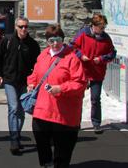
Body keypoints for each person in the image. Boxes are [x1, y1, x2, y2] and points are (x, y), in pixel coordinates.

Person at [27, 25, 87, 168]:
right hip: (43, 108)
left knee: (62, 148)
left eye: (58, 40)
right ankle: (46, 163)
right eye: (51, 40)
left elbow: (80, 83)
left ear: (63, 39)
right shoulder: (43, 55)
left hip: (64, 112)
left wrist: (60, 88)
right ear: (47, 41)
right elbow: (35, 74)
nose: (55, 43)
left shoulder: (72, 58)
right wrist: (31, 83)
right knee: (40, 136)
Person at [0, 16, 41, 155]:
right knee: (13, 108)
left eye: (26, 26)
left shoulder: (32, 44)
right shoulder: (7, 40)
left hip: (25, 82)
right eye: (21, 26)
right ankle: (14, 140)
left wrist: (33, 81)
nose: (24, 29)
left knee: (21, 110)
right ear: (16, 27)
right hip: (9, 80)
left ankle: (17, 134)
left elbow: (37, 65)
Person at [70, 13, 116, 133]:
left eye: (104, 27)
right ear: (94, 26)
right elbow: (73, 47)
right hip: (82, 71)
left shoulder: (106, 38)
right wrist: (81, 55)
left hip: (97, 72)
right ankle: (76, 123)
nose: (102, 30)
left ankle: (96, 123)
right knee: (78, 97)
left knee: (95, 99)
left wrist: (101, 59)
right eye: (101, 27)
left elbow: (112, 53)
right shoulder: (83, 33)